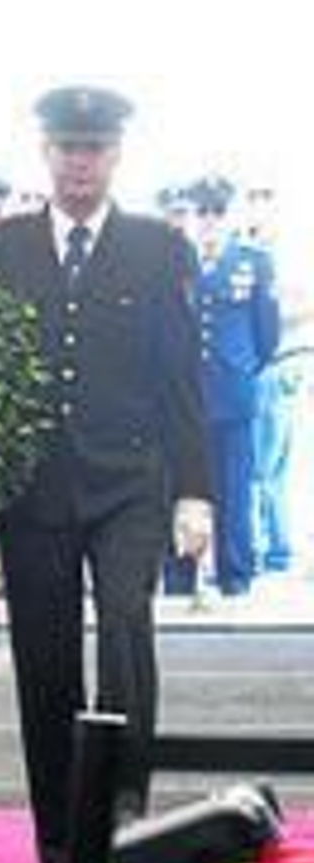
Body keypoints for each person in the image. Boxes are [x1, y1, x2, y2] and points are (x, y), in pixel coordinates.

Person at [0, 86, 212, 863]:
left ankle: (121, 821)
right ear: (46, 152)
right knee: (44, 660)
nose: (81, 162)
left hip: (128, 482)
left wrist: (195, 491)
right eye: (68, 148)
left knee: (123, 631)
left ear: (116, 155)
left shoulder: (158, 249)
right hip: (35, 486)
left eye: (95, 148)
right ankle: (61, 843)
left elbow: (182, 377)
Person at [189, 175, 279, 598]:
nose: (209, 220)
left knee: (234, 489)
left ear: (229, 216)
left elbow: (267, 334)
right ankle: (180, 577)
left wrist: (243, 369)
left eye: (217, 212)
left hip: (233, 392)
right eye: (203, 211)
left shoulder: (253, 262)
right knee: (184, 488)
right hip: (187, 395)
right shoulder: (178, 259)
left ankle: (235, 573)